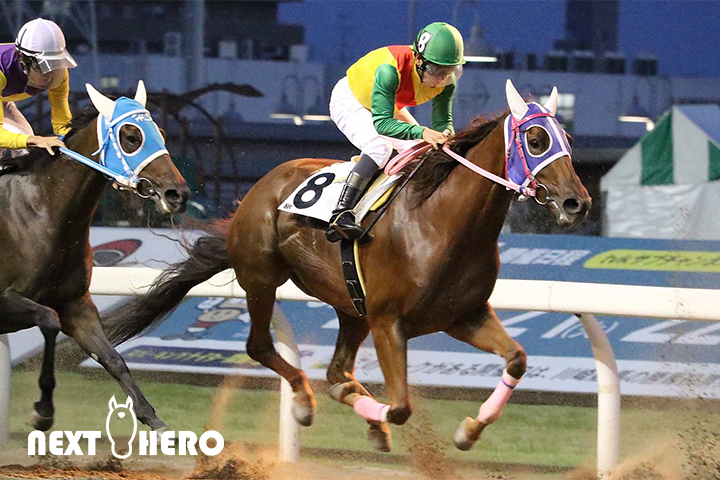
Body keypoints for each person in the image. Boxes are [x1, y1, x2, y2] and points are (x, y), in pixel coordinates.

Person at [326, 22, 465, 242]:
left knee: (424, 153)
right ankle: (341, 214)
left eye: (449, 71)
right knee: (379, 147)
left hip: (387, 104)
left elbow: (443, 122)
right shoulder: (389, 69)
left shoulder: (448, 82)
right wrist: (423, 132)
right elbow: (382, 124)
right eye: (436, 70)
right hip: (351, 100)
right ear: (419, 60)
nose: (441, 79)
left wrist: (445, 135)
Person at [0, 18, 77, 173]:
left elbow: (62, 123)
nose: (49, 74)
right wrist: (36, 140)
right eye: (41, 66)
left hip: (3, 99)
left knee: (26, 149)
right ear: (22, 59)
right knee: (21, 139)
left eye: (54, 64)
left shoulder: (60, 74)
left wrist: (72, 144)